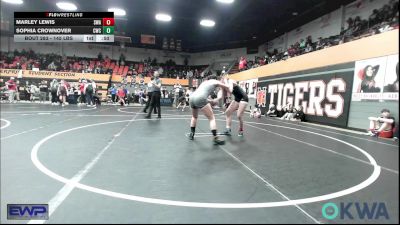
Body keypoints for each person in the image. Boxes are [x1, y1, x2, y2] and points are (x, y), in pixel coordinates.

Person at [188, 75, 231, 145]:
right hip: (200, 98)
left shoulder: (204, 83)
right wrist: (225, 80)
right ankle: (215, 138)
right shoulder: (214, 81)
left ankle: (191, 134)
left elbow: (201, 96)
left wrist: (211, 101)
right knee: (212, 118)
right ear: (215, 78)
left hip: (192, 97)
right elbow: (227, 87)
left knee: (194, 117)